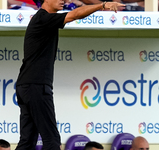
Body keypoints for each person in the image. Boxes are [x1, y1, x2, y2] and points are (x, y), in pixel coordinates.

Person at [15, 1, 125, 150]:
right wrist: (102, 5)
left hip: (25, 85)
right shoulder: (43, 18)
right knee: (52, 140)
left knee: (27, 141)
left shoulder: (43, 19)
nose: (64, 0)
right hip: (36, 85)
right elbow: (75, 14)